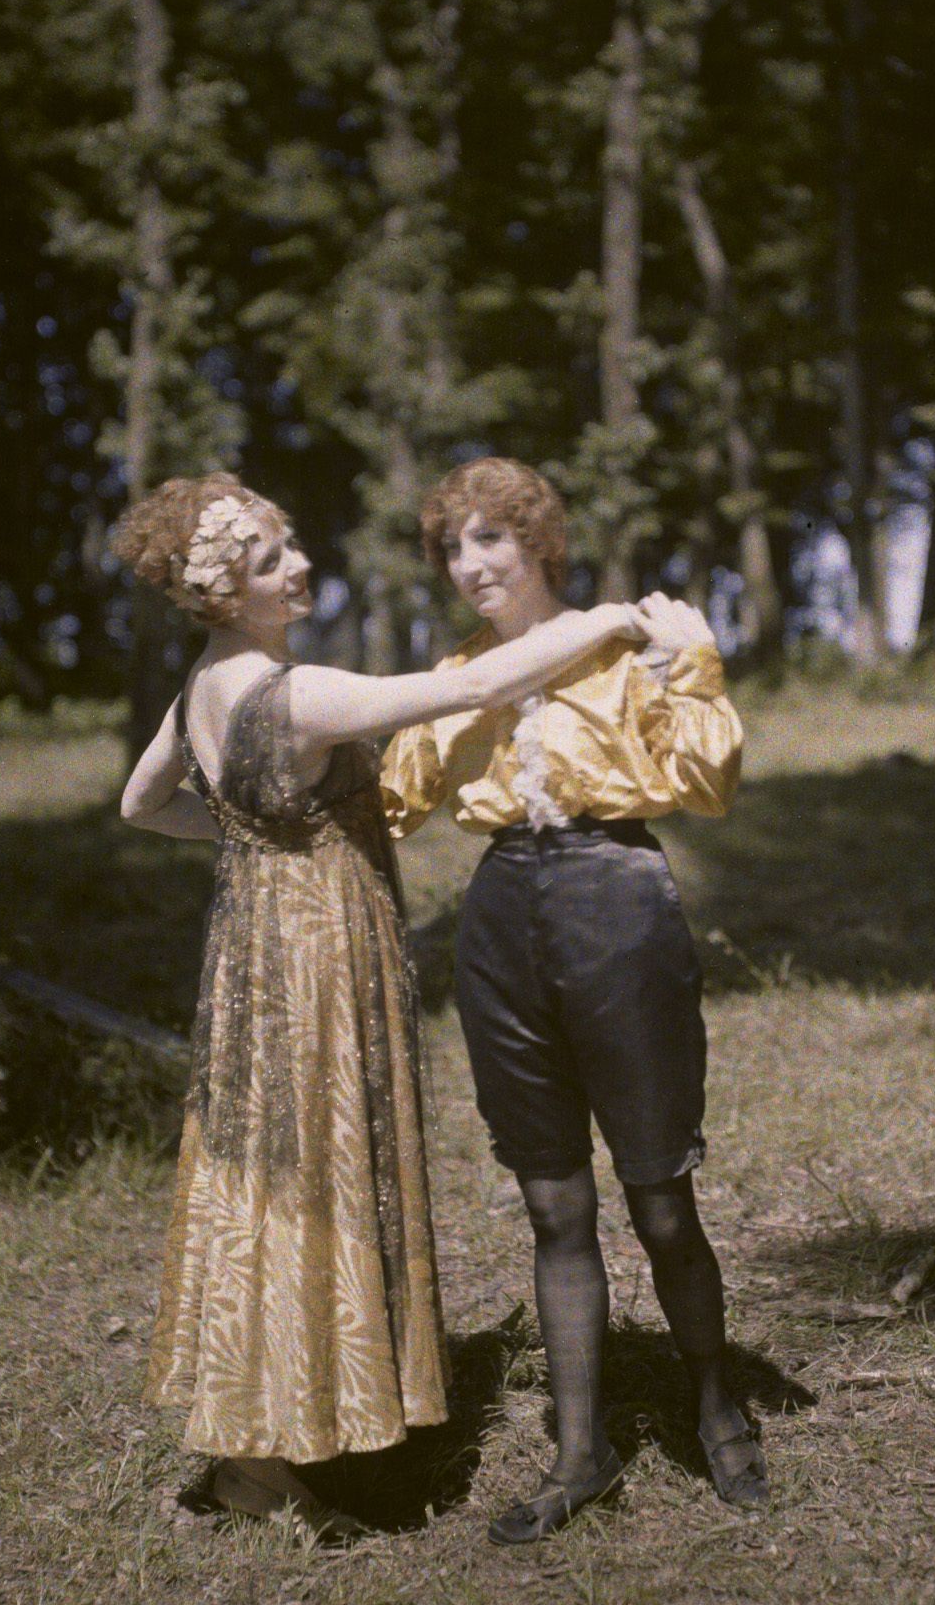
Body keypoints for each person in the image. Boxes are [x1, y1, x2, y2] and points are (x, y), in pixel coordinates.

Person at [116, 471, 650, 1539]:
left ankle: (257, 1435)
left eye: (289, 542)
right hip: (319, 952)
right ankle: (277, 1446)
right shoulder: (298, 693)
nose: (298, 564)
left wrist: (251, 829)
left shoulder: (199, 688)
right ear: (224, 593)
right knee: (314, 1163)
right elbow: (475, 685)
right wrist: (606, 620)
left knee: (263, 1167)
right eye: (269, 559)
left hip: (253, 944)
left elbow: (140, 804)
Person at [380, 457, 770, 1546]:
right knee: (553, 1204)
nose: (470, 565)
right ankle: (578, 1451)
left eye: (491, 538)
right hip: (501, 916)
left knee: (658, 1196)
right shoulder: (454, 677)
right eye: (452, 547)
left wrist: (693, 663)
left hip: (618, 900)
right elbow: (388, 802)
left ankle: (715, 1402)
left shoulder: (623, 648)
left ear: (539, 542)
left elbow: (708, 784)